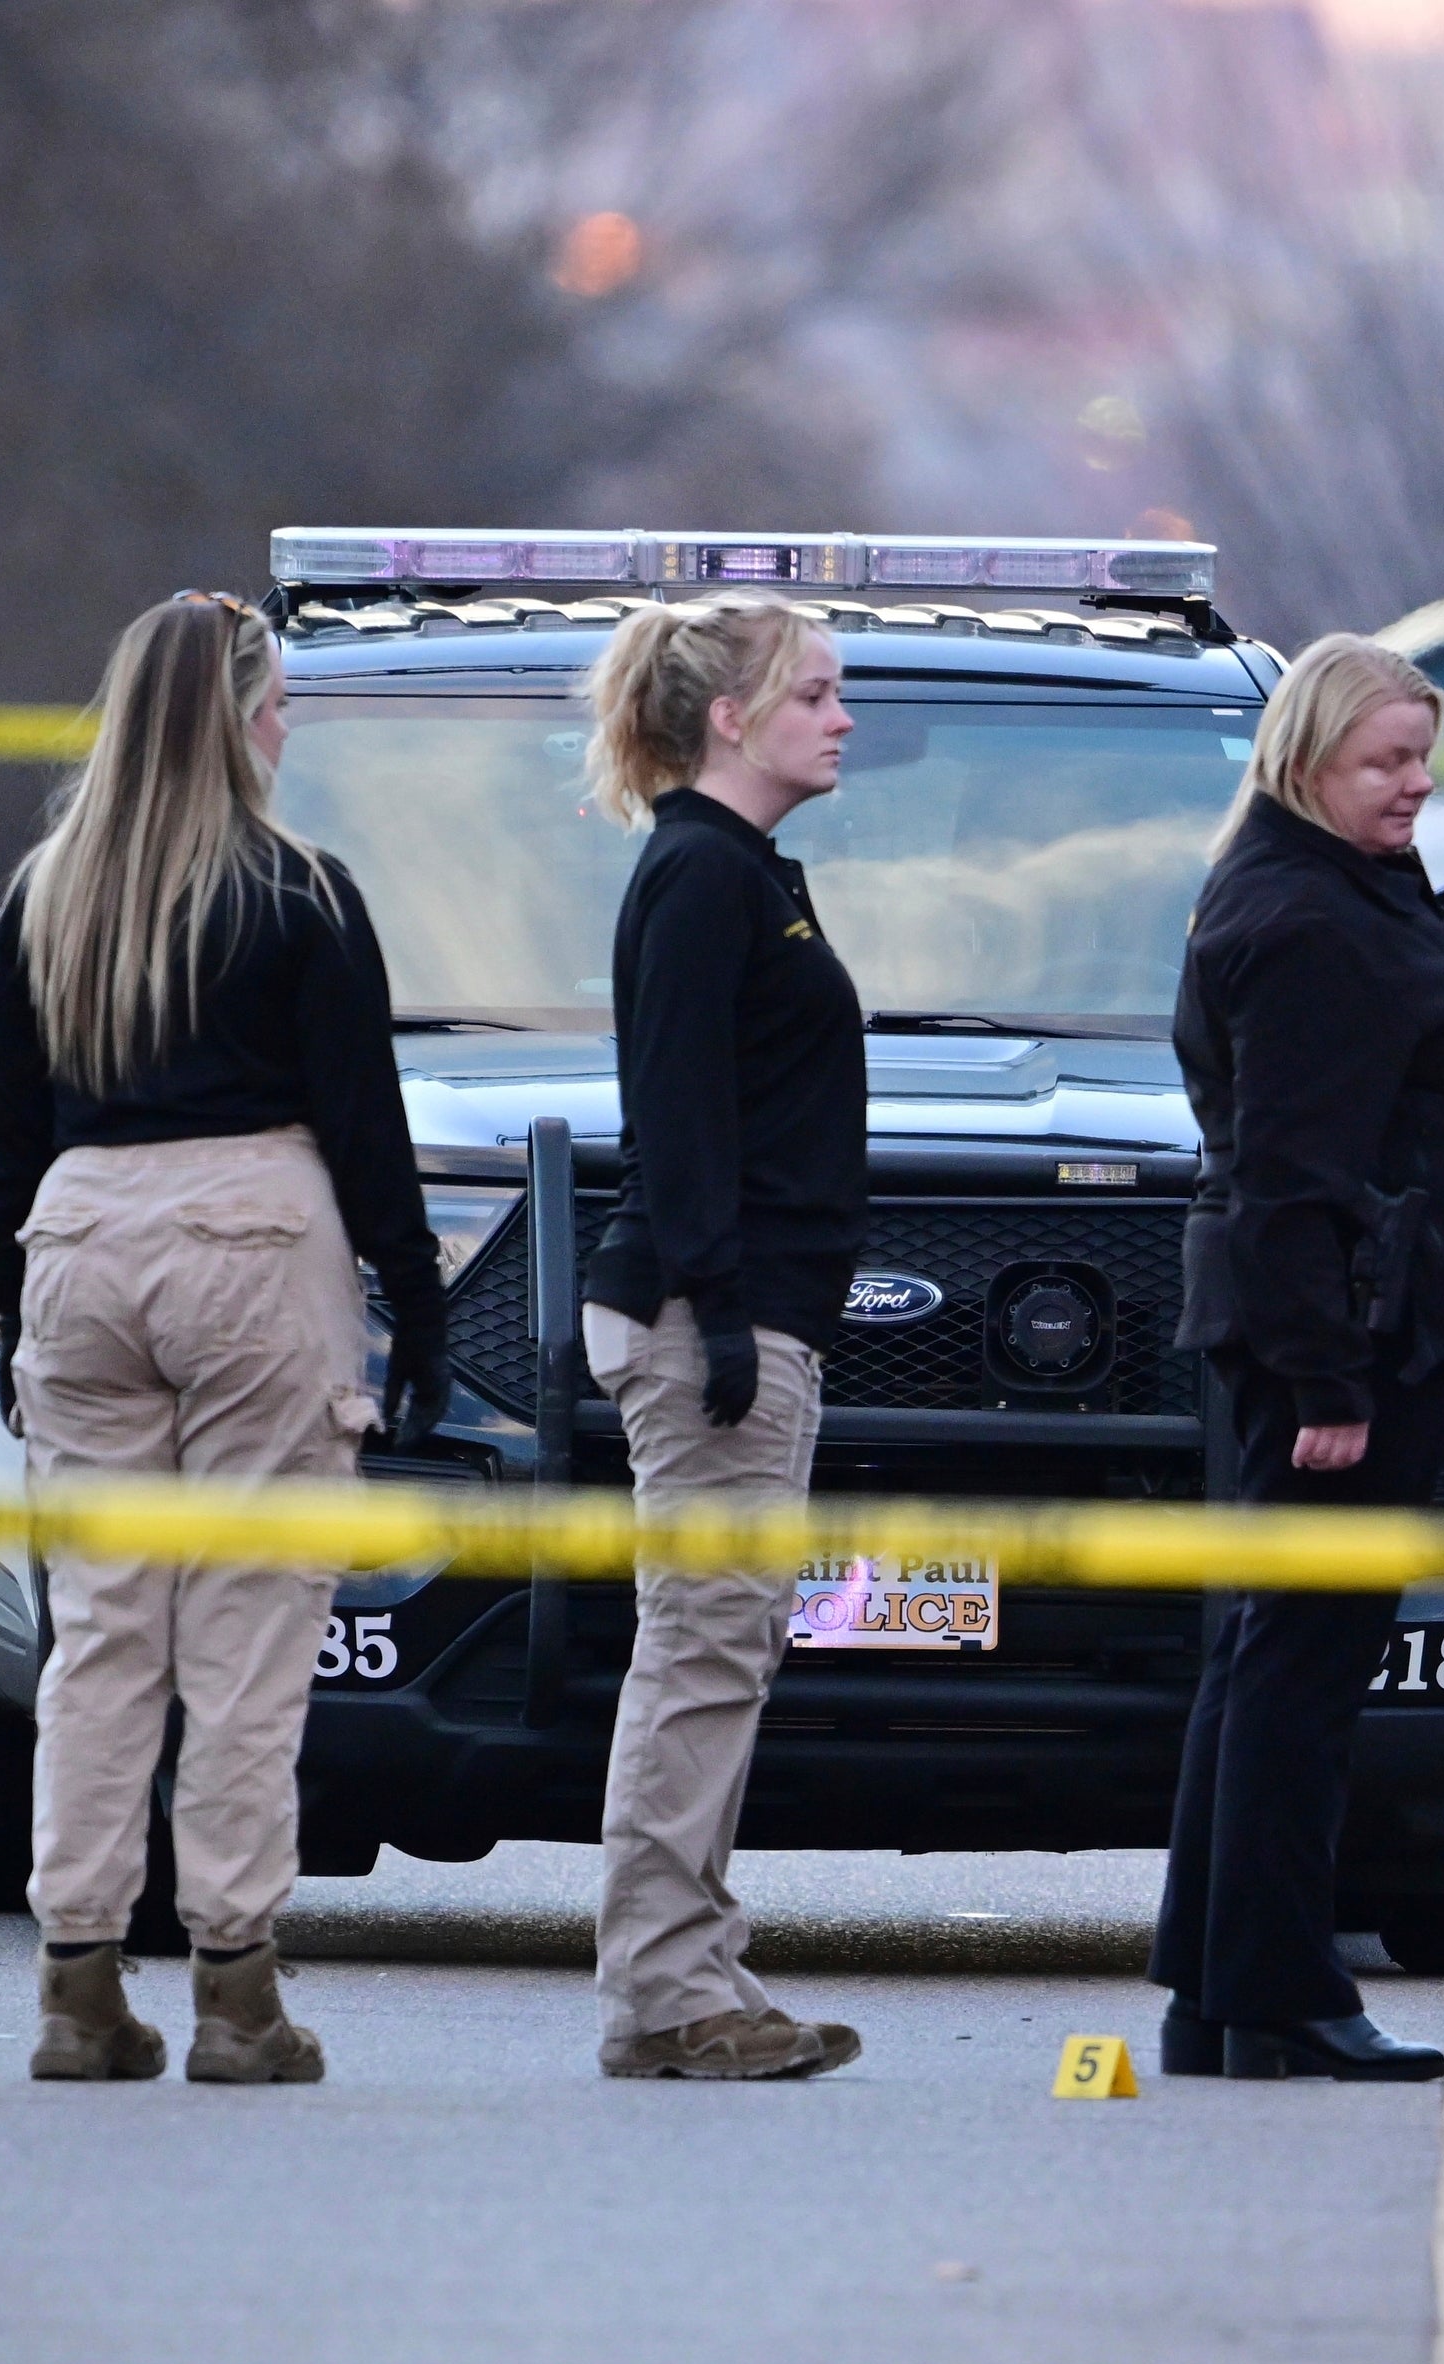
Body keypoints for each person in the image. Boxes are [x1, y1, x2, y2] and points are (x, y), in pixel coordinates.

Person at [0, 591, 447, 2085]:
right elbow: (365, 1125)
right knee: (246, 1629)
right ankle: (237, 1986)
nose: (289, 725)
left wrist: (12, 1303)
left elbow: (9, 1147)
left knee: (104, 1629)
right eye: (284, 703)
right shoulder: (301, 893)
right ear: (242, 719)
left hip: (82, 1239)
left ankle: (76, 1980)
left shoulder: (46, 895)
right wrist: (412, 1291)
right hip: (255, 1233)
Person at [1153, 635, 1444, 2082]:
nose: (1418, 783)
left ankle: (1219, 1991)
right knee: (1301, 1673)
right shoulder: (1309, 920)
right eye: (1386, 760)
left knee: (1267, 1658)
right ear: (1307, 761)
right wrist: (1330, 1384)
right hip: (1344, 1342)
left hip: (1357, 1325)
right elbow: (1289, 1174)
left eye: (1423, 755)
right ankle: (1278, 1989)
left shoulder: (1339, 887)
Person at [577, 593, 869, 2081]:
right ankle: (666, 1994)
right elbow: (676, 1107)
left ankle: (695, 1969)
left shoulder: (750, 873)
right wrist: (721, 1303)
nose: (842, 714)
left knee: (728, 1652)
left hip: (753, 1313)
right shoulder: (700, 874)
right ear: (731, 719)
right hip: (715, 1326)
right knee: (700, 1652)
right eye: (816, 692)